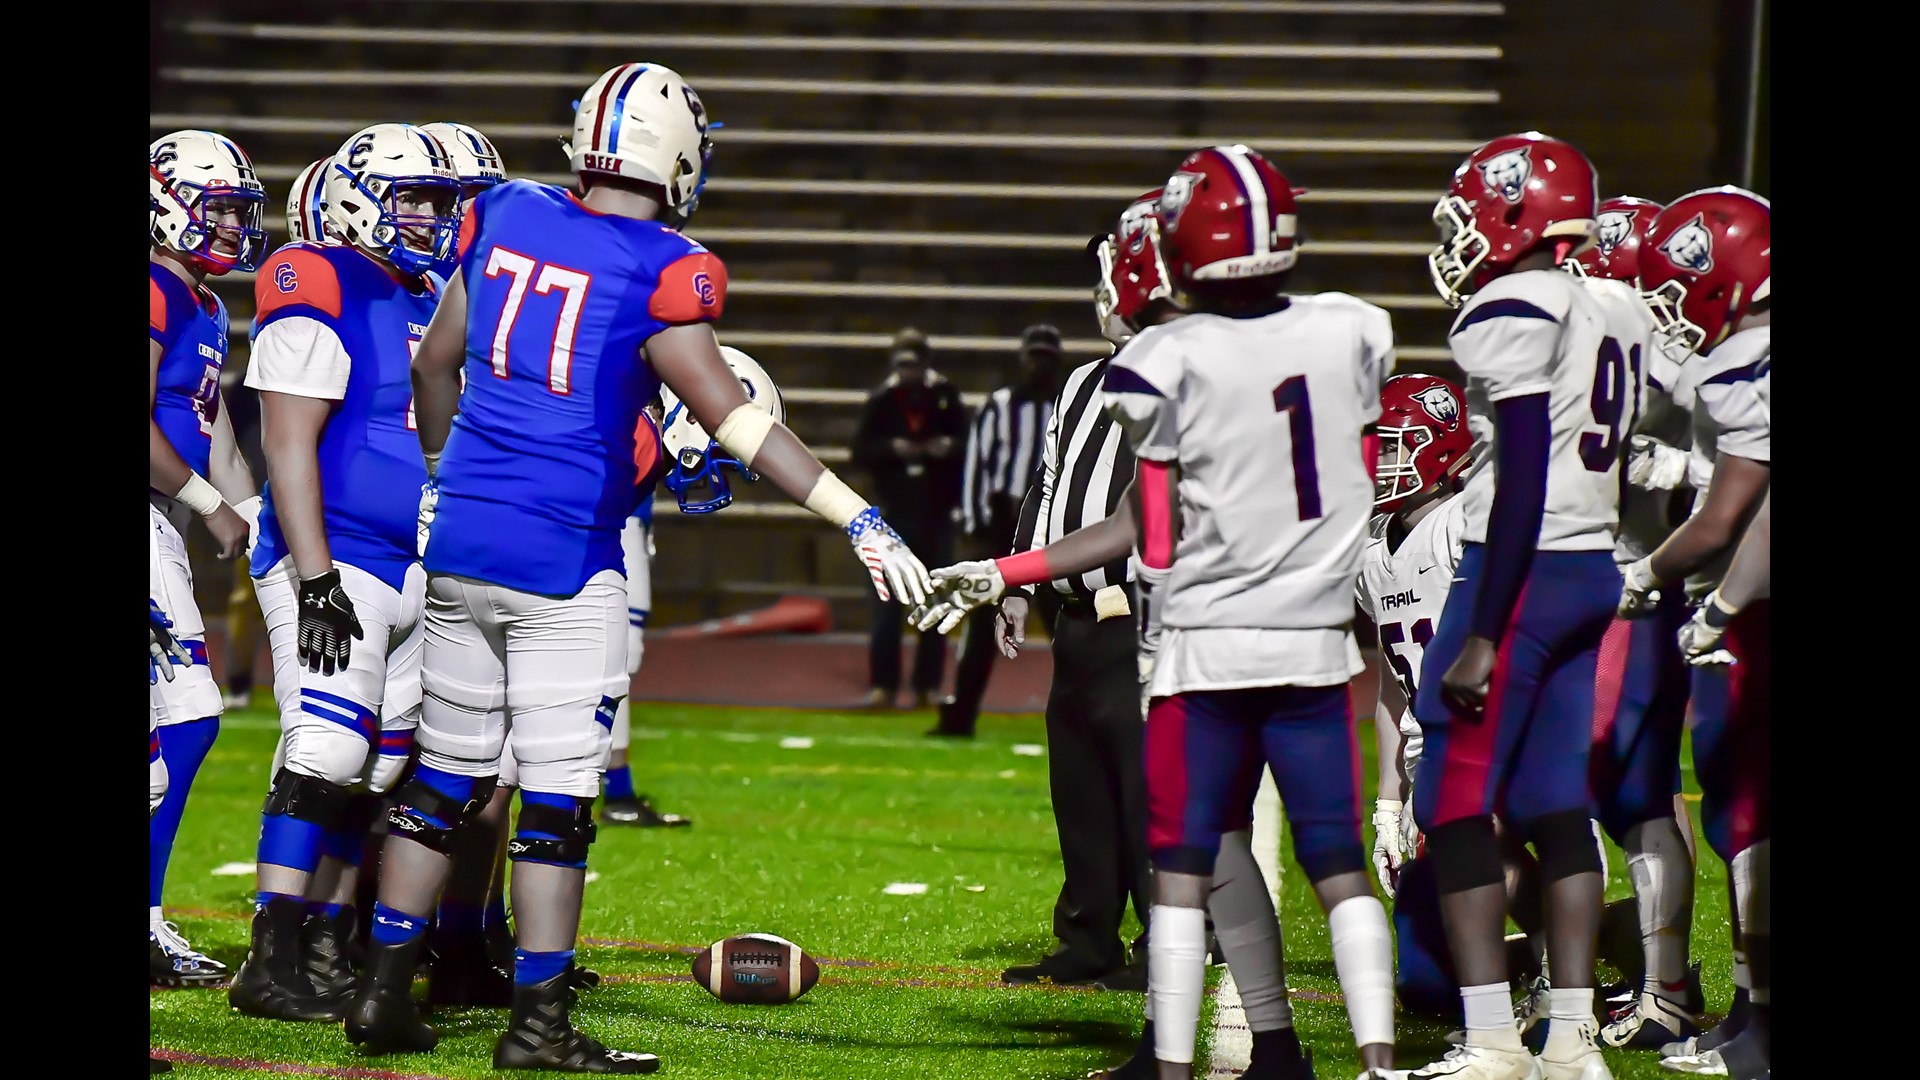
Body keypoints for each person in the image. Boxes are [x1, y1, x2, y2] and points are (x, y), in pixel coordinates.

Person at [352, 61, 929, 1072]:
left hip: (464, 540)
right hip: (565, 552)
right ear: (677, 155)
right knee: (560, 800)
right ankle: (536, 1025)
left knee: (442, 777)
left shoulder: (503, 214)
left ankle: (382, 994)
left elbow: (434, 363)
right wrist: (858, 514)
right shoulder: (666, 264)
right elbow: (735, 419)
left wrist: (448, 476)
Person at [917, 188, 1325, 1079]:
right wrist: (1018, 574)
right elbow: (1061, 485)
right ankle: (1109, 951)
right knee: (1133, 808)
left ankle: (1189, 1005)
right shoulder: (1096, 379)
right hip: (1148, 624)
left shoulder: (1200, 370)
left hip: (1176, 625)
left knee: (1195, 833)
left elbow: (1141, 522)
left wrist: (1007, 573)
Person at [1405, 132, 1641, 1080]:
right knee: (1554, 803)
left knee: (1453, 802)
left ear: (1514, 210)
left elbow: (1527, 478)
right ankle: (1574, 1040)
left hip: (1525, 572)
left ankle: (1494, 1038)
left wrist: (1485, 634)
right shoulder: (1615, 301)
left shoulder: (1511, 304)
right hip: (1594, 568)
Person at [227, 122, 461, 1023]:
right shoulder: (313, 271)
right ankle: (269, 954)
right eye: (412, 198)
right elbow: (288, 435)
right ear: (359, 194)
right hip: (337, 556)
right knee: (328, 748)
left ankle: (328, 939)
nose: (429, 217)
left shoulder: (420, 289)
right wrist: (314, 574)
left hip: (409, 562)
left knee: (385, 763)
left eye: (438, 202)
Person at [1615, 187, 1770, 1080]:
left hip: (1748, 613)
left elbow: (1734, 521)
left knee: (1746, 814)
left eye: (1680, 282)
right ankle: (1753, 1013)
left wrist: (1680, 593)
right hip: (1747, 606)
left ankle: (1760, 1030)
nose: (1670, 304)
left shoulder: (1742, 363)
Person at [149, 129, 267, 989]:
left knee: (177, 721)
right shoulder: (155, 288)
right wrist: (210, 507)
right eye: (215, 208)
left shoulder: (203, 302)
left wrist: (261, 519)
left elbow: (211, 424)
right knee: (186, 712)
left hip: (163, 521)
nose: (229, 226)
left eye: (236, 211)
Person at [932, 325, 1061, 736]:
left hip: (1052, 528)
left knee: (1064, 624)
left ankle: (1080, 714)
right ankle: (961, 714)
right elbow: (977, 464)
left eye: (1045, 356)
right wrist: (974, 525)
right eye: (1033, 355)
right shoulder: (1000, 405)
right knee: (984, 624)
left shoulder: (1069, 403)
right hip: (1003, 527)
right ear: (1022, 359)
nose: (1038, 364)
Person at [851, 327, 969, 708]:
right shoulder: (883, 400)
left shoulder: (946, 397)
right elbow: (860, 451)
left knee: (935, 603)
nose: (909, 373)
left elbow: (971, 446)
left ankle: (927, 686)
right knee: (886, 609)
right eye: (903, 365)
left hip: (936, 515)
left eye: (914, 365)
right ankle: (883, 685)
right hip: (892, 516)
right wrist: (892, 448)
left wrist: (948, 447)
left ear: (926, 364)